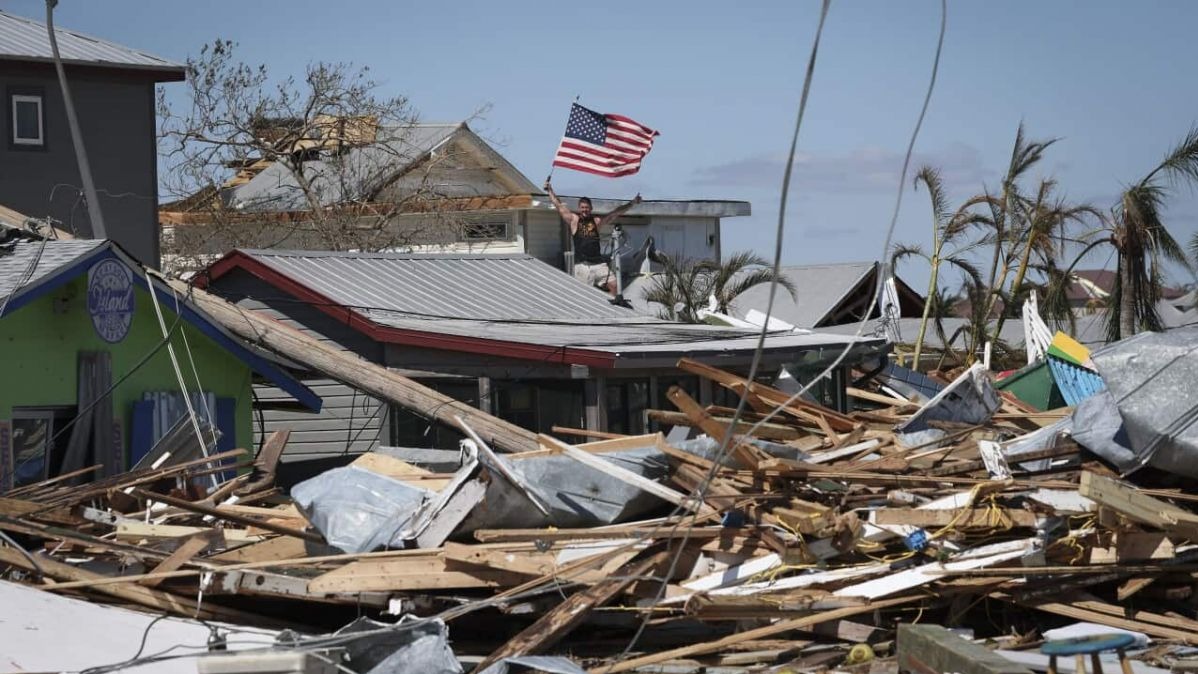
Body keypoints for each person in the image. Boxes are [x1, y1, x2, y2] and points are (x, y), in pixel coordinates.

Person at [544, 179, 641, 294]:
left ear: (591, 208)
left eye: (587, 207)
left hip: (598, 264)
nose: (585, 210)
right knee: (584, 295)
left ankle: (608, 308)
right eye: (582, 207)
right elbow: (558, 205)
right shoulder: (574, 220)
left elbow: (615, 213)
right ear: (580, 208)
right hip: (582, 266)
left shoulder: (596, 221)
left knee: (614, 286)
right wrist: (550, 190)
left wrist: (632, 203)